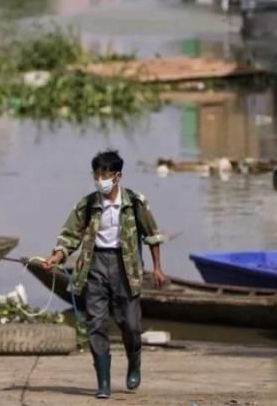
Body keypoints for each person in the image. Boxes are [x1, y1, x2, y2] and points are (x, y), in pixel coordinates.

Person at [43, 149, 165, 399]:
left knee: (130, 323)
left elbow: (152, 235)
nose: (99, 179)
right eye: (96, 174)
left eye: (104, 174)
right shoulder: (87, 204)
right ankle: (104, 382)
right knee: (95, 323)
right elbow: (69, 235)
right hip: (95, 264)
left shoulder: (135, 202)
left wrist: (157, 268)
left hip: (125, 265)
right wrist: (57, 255)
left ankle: (134, 361)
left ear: (117, 176)